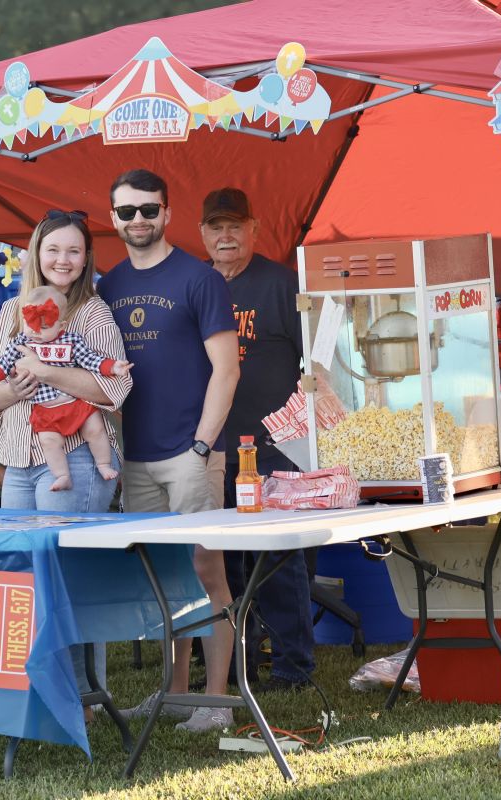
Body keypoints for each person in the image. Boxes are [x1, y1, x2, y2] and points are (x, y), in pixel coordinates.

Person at [0, 209, 132, 721]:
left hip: (78, 458)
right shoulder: (13, 312)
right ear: (36, 254)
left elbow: (115, 389)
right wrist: (4, 390)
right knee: (26, 577)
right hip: (18, 460)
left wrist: (46, 371)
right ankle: (39, 692)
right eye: (53, 249)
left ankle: (83, 699)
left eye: (74, 251)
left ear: (86, 260)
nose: (63, 260)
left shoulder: (92, 315)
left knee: (67, 577)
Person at [96, 169, 241, 733]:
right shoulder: (108, 287)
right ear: (113, 218)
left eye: (149, 210)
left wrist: (203, 445)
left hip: (191, 452)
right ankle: (174, 695)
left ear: (167, 214)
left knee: (209, 574)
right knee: (163, 582)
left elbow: (226, 372)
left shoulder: (200, 280)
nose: (139, 220)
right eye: (127, 212)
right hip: (136, 458)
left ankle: (217, 701)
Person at [200, 187, 315, 692]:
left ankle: (292, 665)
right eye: (216, 227)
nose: (226, 236)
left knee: (278, 560)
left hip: (274, 449)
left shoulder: (280, 285)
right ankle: (236, 662)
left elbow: (316, 362)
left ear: (254, 229)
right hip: (211, 448)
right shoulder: (197, 286)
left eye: (235, 226)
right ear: (202, 234)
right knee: (221, 562)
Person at [0, 285, 132, 491]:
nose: (37, 333)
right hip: (45, 408)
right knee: (49, 441)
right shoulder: (21, 343)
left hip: (74, 403)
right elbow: (1, 364)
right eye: (31, 325)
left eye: (45, 327)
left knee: (95, 430)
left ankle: (103, 464)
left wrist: (112, 366)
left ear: (61, 326)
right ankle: (62, 475)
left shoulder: (70, 341)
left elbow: (92, 360)